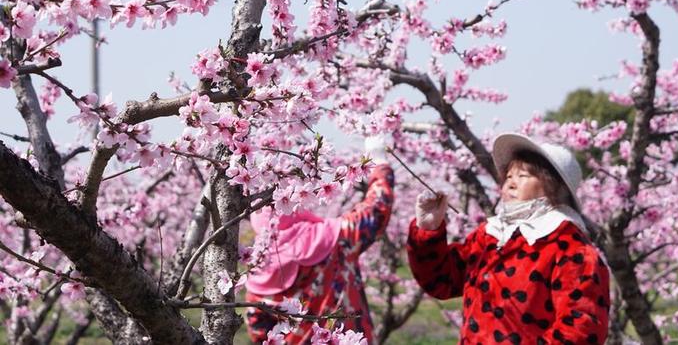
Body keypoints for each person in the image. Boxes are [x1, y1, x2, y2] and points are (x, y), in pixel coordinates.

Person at [407, 133, 610, 344]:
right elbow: (442, 280)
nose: (511, 184)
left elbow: (582, 328)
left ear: (555, 187)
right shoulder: (491, 235)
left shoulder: (569, 247)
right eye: (509, 177)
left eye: (523, 176)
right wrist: (428, 229)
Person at [244, 137, 394, 344]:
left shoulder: (256, 270)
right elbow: (375, 212)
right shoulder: (333, 239)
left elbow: (259, 333)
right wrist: (379, 164)